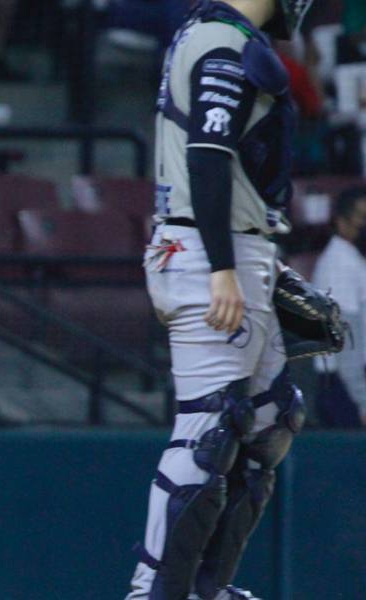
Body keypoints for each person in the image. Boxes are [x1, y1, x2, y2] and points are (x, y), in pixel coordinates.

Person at [129, 1, 313, 599]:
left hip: (233, 245)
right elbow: (207, 155)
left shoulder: (221, 33)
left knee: (270, 416)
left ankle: (203, 589)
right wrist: (223, 267)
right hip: (209, 251)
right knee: (207, 429)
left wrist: (252, 263)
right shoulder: (220, 38)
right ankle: (153, 590)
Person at [313, 187, 366, 428]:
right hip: (343, 387)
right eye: (361, 217)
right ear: (341, 221)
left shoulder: (354, 258)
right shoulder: (339, 263)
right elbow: (346, 340)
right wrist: (363, 401)